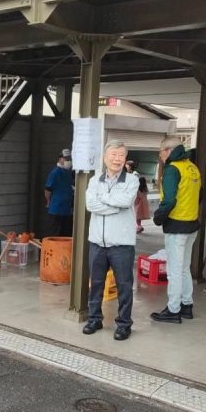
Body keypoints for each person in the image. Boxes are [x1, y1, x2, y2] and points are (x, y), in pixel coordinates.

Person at [83, 140, 139, 341]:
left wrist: (103, 198)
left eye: (121, 155)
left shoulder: (132, 180)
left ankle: (124, 324)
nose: (117, 159)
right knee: (96, 283)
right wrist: (114, 204)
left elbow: (125, 202)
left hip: (121, 244)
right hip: (97, 242)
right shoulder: (93, 180)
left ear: (125, 158)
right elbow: (90, 204)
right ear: (105, 157)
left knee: (124, 285)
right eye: (113, 154)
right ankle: (94, 319)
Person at [150, 138, 201, 324]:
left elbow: (169, 200)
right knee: (184, 267)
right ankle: (187, 305)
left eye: (161, 151)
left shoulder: (172, 169)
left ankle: (173, 310)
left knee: (174, 270)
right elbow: (199, 194)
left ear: (170, 150)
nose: (160, 155)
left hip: (177, 226)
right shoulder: (192, 167)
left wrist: (158, 217)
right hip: (191, 225)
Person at [44, 149, 74, 237]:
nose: (68, 161)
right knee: (55, 236)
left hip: (67, 211)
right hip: (56, 210)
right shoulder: (55, 172)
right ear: (60, 159)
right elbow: (47, 189)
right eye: (66, 159)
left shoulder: (68, 172)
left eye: (69, 159)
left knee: (65, 236)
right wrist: (48, 201)